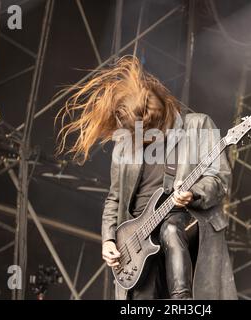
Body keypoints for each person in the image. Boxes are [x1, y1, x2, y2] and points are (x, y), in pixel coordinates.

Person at [56, 56, 237, 300]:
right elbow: (114, 198)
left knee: (172, 229)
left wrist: (193, 193)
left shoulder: (198, 126)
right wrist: (109, 240)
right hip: (137, 244)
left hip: (185, 227)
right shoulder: (127, 142)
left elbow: (220, 179)